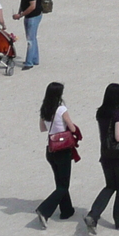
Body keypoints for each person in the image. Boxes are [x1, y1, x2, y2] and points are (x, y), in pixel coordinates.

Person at [84, 83, 119, 233]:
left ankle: (93, 215)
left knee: (110, 185)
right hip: (118, 156)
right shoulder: (117, 112)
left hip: (105, 154)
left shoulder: (101, 112)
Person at [32, 82, 81, 228]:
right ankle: (44, 210)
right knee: (63, 186)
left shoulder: (44, 109)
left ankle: (67, 210)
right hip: (63, 150)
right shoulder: (61, 109)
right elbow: (71, 127)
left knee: (60, 182)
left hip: (51, 150)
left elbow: (42, 128)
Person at [11, 0, 43, 69]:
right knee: (32, 38)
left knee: (30, 40)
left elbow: (32, 6)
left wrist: (21, 15)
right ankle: (35, 59)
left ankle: (29, 63)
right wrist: (19, 12)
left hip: (34, 16)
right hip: (29, 16)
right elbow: (23, 2)